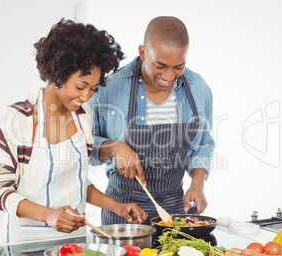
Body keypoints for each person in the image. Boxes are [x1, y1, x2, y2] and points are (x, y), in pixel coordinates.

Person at [0, 18, 147, 243]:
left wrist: (117, 207)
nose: (85, 97)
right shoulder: (17, 119)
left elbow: (78, 182)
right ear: (58, 74)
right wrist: (50, 215)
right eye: (80, 87)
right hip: (23, 245)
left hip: (72, 245)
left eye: (93, 89)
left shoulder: (83, 118)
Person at [89, 16, 215, 225]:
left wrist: (197, 183)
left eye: (179, 66)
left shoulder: (198, 87)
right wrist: (115, 147)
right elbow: (82, 146)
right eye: (160, 65)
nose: (169, 75)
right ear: (142, 52)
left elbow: (203, 144)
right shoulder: (108, 87)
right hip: (123, 211)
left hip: (175, 208)